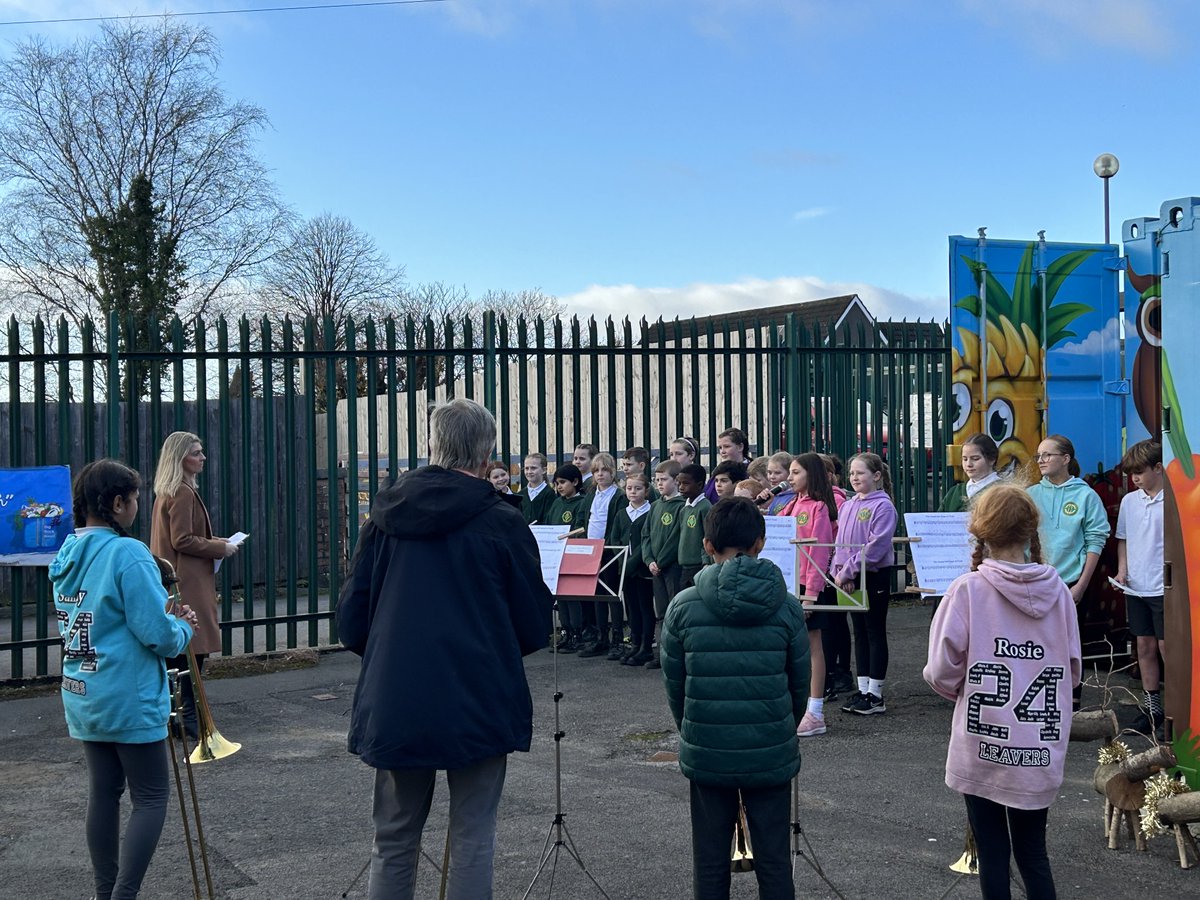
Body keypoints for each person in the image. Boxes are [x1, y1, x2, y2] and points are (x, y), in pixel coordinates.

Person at [336, 398, 553, 900]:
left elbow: (352, 621)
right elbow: (532, 623)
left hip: (398, 693)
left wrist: (397, 653)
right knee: (473, 835)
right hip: (478, 690)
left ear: (432, 446)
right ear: (486, 455)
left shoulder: (383, 517)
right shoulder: (501, 522)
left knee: (393, 837)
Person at [50, 459, 198, 900]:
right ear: (117, 503)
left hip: (84, 693)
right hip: (127, 695)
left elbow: (108, 619)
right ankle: (124, 895)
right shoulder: (127, 552)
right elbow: (159, 636)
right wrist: (183, 626)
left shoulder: (67, 554)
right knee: (151, 797)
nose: (137, 507)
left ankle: (105, 892)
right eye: (134, 499)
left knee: (104, 794)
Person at [924, 484, 1080, 900]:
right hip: (1039, 749)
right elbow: (1073, 669)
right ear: (1031, 531)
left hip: (982, 744)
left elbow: (941, 669)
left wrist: (961, 690)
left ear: (982, 533)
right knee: (1034, 853)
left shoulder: (967, 590)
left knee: (992, 854)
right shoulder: (1060, 592)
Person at [661, 497, 810, 900]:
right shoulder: (787, 607)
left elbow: (676, 685)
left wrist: (694, 729)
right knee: (775, 861)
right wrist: (781, 729)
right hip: (769, 748)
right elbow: (800, 685)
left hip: (709, 748)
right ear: (760, 543)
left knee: (709, 863)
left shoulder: (683, 606)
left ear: (707, 545)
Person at [149, 431, 239, 738]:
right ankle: (189, 717)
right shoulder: (182, 491)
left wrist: (216, 541)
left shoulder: (167, 490)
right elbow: (182, 539)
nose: (202, 457)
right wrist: (220, 548)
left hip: (174, 578)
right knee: (193, 648)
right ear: (181, 459)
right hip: (187, 580)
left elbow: (178, 537)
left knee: (177, 651)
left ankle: (176, 715)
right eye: (196, 453)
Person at [1027, 434, 1108, 710]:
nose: (1041, 460)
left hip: (1071, 581)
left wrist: (1081, 587)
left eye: (1047, 455)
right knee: (1037, 645)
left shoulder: (1086, 495)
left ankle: (1072, 703)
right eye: (1039, 455)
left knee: (1071, 645)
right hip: (1036, 582)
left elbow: (1095, 541)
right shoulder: (1031, 495)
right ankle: (1040, 701)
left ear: (1066, 459)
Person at [830, 452, 898, 716]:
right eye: (852, 473)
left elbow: (877, 546)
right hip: (848, 578)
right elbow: (840, 544)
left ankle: (876, 694)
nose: (854, 478)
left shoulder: (883, 506)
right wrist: (840, 572)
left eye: (860, 473)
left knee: (874, 631)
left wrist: (849, 571)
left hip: (873, 575)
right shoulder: (848, 505)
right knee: (858, 630)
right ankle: (863, 688)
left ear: (876, 476)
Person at [781, 453, 838, 737]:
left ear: (811, 475)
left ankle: (815, 712)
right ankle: (795, 705)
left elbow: (819, 552)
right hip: (790, 584)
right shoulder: (792, 504)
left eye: (795, 472)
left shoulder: (818, 508)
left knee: (814, 646)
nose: (789, 478)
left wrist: (811, 594)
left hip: (809, 587)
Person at [1114, 439, 1166, 735]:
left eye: (1139, 472)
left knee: (1166, 647)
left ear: (1158, 468)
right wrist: (1122, 572)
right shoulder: (1129, 501)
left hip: (1164, 587)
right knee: (1144, 646)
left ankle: (1178, 708)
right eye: (1130, 473)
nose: (1134, 478)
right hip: (1136, 586)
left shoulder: (1172, 499)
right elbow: (1124, 539)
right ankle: (1152, 709)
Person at [641, 460, 685, 669]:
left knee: (673, 610)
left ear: (676, 481)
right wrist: (649, 560)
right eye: (656, 480)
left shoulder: (682, 506)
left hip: (673, 567)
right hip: (656, 568)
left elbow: (676, 537)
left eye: (664, 480)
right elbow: (646, 535)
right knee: (660, 612)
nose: (659, 484)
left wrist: (662, 560)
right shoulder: (655, 506)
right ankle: (662, 653)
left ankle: (676, 654)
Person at [580, 453, 624, 658]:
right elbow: (587, 519)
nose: (600, 475)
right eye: (596, 471)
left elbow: (617, 524)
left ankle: (617, 638)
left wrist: (608, 544)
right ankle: (601, 637)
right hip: (591, 550)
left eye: (604, 470)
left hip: (609, 550)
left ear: (612, 472)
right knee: (595, 593)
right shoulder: (591, 494)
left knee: (612, 593)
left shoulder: (618, 496)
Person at [546, 462, 591, 653]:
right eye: (556, 483)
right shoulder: (557, 503)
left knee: (572, 596)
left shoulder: (581, 502)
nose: (559, 487)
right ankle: (566, 631)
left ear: (575, 481)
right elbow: (549, 525)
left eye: (563, 482)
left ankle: (578, 634)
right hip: (556, 556)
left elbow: (581, 529)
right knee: (560, 596)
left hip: (572, 555)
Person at [611, 471, 655, 665]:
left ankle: (646, 646)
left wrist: (632, 562)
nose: (633, 492)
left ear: (646, 491)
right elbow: (615, 539)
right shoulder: (622, 514)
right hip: (625, 571)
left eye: (638, 488)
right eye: (629, 488)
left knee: (645, 607)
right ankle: (634, 644)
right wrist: (621, 562)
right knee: (632, 608)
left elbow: (647, 542)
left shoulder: (650, 512)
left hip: (642, 568)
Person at [939, 433, 1002, 512]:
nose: (968, 464)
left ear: (992, 459)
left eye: (975, 459)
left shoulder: (1004, 492)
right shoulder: (954, 493)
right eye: (965, 459)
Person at [676, 464, 711, 589]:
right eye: (679, 483)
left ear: (700, 485)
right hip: (684, 566)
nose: (681, 487)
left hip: (699, 565)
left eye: (686, 483)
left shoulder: (705, 507)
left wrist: (706, 561)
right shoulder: (684, 509)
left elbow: (708, 535)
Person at [704, 427, 751, 501]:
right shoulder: (718, 471)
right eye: (720, 447)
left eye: (726, 446)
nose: (722, 451)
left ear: (740, 447)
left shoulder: (752, 471)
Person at [519, 452, 554, 525]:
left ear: (544, 470)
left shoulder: (550, 494)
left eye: (533, 468)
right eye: (526, 468)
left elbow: (548, 520)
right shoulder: (521, 494)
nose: (529, 472)